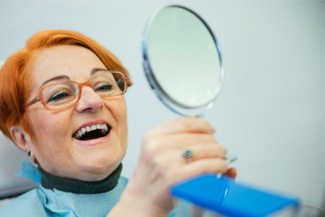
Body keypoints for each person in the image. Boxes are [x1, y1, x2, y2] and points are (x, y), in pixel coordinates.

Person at [0, 29, 236, 217]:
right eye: (60, 94)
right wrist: (139, 209)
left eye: (104, 85)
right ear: (23, 138)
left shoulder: (181, 204)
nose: (93, 100)